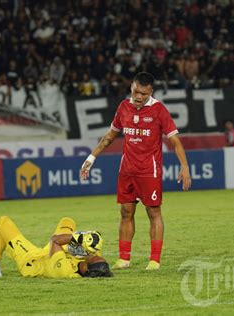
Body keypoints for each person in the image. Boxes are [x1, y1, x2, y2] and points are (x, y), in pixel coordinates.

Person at [80, 72, 192, 270]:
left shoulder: (159, 110)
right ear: (132, 86)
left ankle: (154, 260)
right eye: (136, 91)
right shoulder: (123, 107)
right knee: (125, 212)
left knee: (153, 212)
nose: (139, 97)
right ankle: (124, 259)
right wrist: (91, 157)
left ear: (151, 92)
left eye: (144, 93)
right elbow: (110, 136)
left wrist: (184, 166)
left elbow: (175, 141)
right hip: (127, 170)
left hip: (149, 170)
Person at [0, 216, 112, 278]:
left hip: (32, 261)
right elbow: (94, 252)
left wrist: (80, 238)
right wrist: (93, 239)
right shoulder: (90, 267)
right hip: (52, 254)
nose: (94, 256)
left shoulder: (64, 270)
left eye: (93, 258)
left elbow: (55, 241)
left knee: (2, 222)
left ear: (85, 268)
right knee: (67, 221)